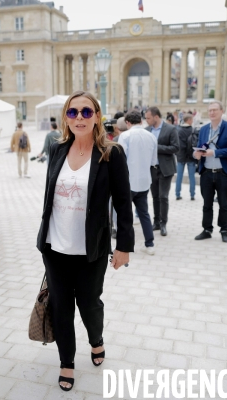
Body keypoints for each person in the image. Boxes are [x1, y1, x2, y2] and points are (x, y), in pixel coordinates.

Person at [36, 90, 134, 391]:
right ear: (66, 117)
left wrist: (124, 246)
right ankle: (67, 362)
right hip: (55, 247)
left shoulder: (111, 153)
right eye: (73, 112)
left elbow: (122, 201)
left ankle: (96, 339)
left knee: (89, 304)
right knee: (61, 308)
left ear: (97, 116)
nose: (80, 117)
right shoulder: (57, 148)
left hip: (91, 248)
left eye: (86, 112)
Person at [193, 100, 227, 243]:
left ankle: (224, 229)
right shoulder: (204, 129)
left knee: (224, 204)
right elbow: (199, 147)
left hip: (223, 172)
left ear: (221, 111)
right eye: (210, 110)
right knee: (207, 203)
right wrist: (197, 154)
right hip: (206, 172)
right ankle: (207, 229)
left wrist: (213, 153)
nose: (212, 113)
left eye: (215, 110)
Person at [119, 110, 158, 255]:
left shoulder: (125, 135)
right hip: (144, 181)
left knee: (125, 214)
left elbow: (121, 160)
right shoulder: (151, 136)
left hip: (128, 181)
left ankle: (127, 245)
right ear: (141, 121)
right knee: (144, 213)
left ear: (128, 123)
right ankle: (150, 244)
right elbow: (154, 161)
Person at [145, 106, 179, 236]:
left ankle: (164, 223)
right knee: (155, 197)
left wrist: (156, 147)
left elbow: (176, 148)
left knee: (163, 196)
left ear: (156, 117)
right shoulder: (146, 130)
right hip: (151, 169)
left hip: (165, 168)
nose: (146, 120)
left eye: (148, 118)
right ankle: (156, 222)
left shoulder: (170, 129)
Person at [176, 113, 198, 201]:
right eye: (191, 120)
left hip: (181, 156)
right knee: (191, 176)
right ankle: (192, 195)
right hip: (191, 156)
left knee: (179, 176)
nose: (192, 121)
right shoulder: (193, 130)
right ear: (188, 120)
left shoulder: (179, 130)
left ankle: (177, 194)